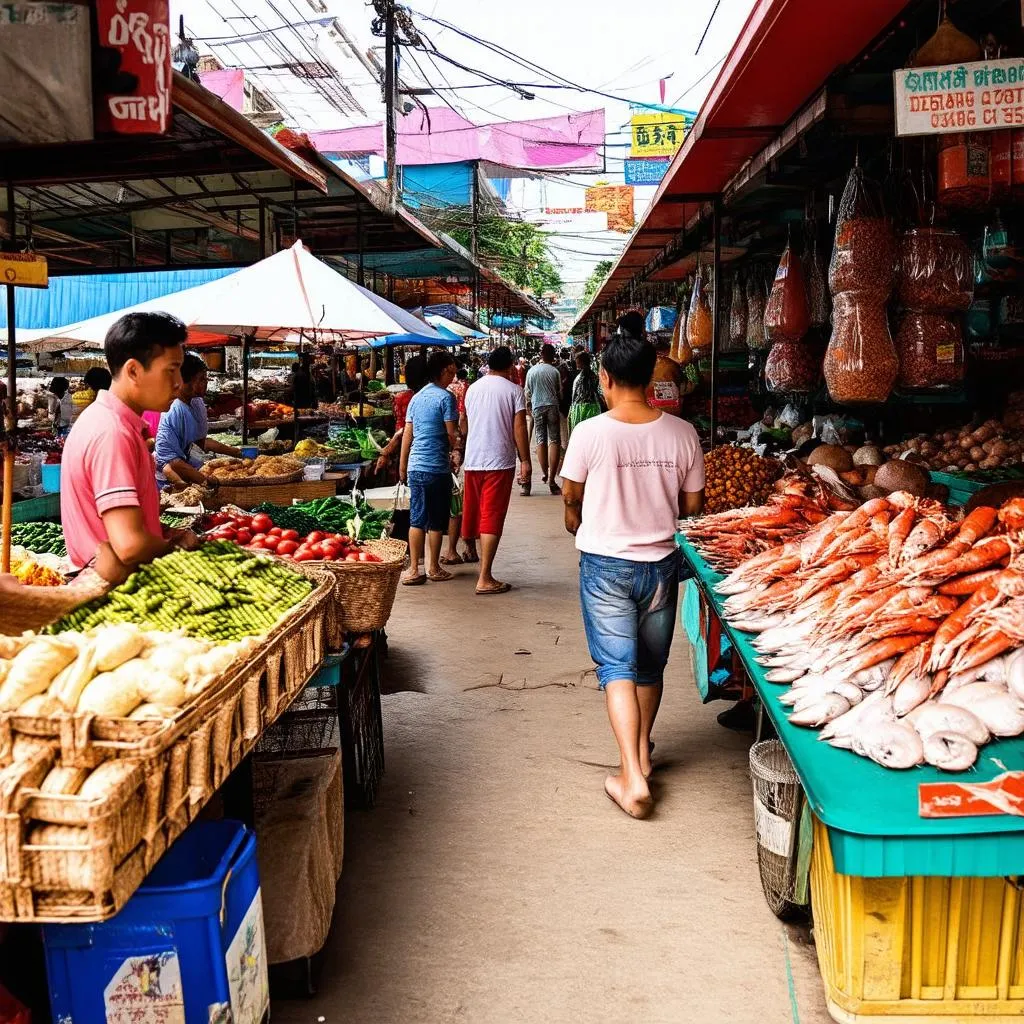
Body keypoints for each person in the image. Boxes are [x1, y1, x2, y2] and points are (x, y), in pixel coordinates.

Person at [561, 331, 705, 820]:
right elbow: (692, 508)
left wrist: (574, 520)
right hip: (662, 565)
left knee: (616, 669)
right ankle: (641, 753)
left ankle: (632, 777)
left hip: (606, 565)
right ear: (650, 379)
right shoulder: (683, 434)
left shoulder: (590, 433)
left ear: (604, 378)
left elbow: (570, 496)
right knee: (648, 666)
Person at [61, 312, 196, 572]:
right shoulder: (112, 433)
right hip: (117, 597)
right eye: (171, 370)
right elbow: (129, 546)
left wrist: (167, 534)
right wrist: (177, 547)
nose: (179, 383)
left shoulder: (107, 422)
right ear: (133, 370)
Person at [460, 346, 531, 595]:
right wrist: (525, 460)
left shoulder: (472, 389)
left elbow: (465, 423)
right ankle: (485, 577)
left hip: (473, 458)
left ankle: (470, 549)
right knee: (491, 515)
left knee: (474, 509)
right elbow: (519, 427)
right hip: (499, 460)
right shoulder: (514, 390)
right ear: (510, 366)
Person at [399, 351, 459, 586]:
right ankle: (433, 567)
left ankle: (414, 569)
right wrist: (455, 451)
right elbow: (451, 434)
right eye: (452, 372)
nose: (453, 377)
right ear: (443, 371)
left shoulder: (417, 397)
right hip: (436, 467)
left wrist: (403, 465)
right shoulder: (446, 398)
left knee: (416, 518)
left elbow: (407, 434)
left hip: (416, 466)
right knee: (435, 519)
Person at [155, 354, 241, 489]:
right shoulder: (172, 411)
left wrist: (237, 452)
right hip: (170, 481)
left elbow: (202, 441)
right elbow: (172, 463)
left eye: (205, 378)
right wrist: (207, 482)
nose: (206, 382)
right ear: (184, 381)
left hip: (188, 469)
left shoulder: (196, 402)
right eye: (201, 379)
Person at [442, 365, 475, 567]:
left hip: (430, 457)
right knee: (456, 503)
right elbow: (460, 420)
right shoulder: (454, 394)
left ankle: (425, 561)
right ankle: (454, 549)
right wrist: (459, 447)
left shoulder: (418, 397)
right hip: (450, 453)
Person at [375, 355, 426, 474]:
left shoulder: (400, 398)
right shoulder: (436, 397)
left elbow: (399, 427)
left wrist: (387, 451)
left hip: (405, 450)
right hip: (425, 455)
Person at [523, 342, 563, 496]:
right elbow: (560, 393)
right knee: (554, 440)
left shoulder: (532, 371)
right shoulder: (555, 372)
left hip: (537, 407)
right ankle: (552, 479)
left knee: (541, 439)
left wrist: (529, 406)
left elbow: (527, 393)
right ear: (553, 356)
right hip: (552, 406)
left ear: (541, 355)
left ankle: (544, 473)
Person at [568, 351, 603, 435]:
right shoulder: (594, 376)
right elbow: (599, 392)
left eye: (577, 362)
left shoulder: (579, 378)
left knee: (580, 434)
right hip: (594, 407)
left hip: (579, 408)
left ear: (581, 363)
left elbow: (574, 394)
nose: (576, 364)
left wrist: (571, 409)